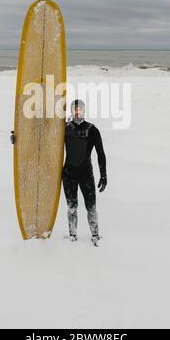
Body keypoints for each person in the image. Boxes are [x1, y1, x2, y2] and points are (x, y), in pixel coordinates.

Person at [62, 99, 107, 246]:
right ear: (71, 111)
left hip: (86, 173)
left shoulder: (92, 129)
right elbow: (43, 140)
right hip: (69, 173)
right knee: (72, 206)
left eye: (79, 109)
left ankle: (95, 234)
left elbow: (101, 153)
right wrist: (18, 138)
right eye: (74, 109)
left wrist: (103, 175)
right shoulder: (64, 128)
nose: (77, 112)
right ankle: (72, 235)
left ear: (84, 111)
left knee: (91, 206)